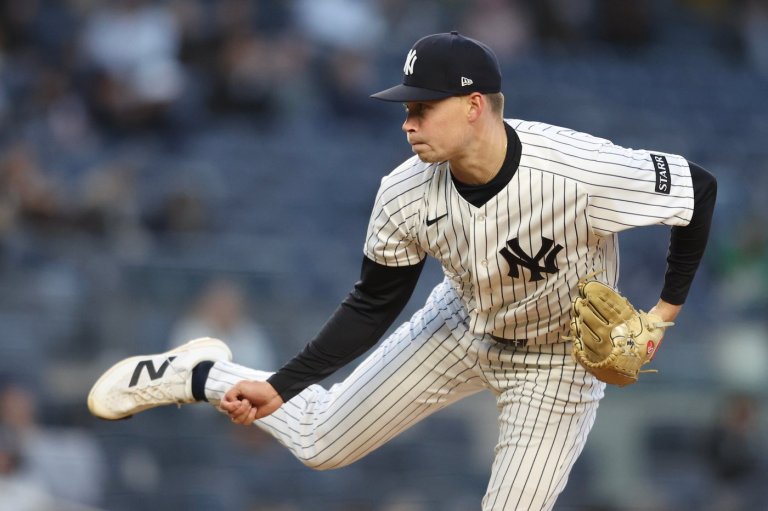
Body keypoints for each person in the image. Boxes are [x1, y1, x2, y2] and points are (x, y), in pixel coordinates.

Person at [88, 32, 717, 510]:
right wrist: (281, 384)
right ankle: (196, 372)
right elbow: (372, 305)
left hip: (556, 365)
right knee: (319, 445)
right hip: (459, 326)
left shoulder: (576, 169)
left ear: (474, 105)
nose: (408, 121)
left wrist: (664, 313)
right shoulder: (404, 192)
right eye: (406, 107)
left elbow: (698, 189)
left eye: (423, 107)